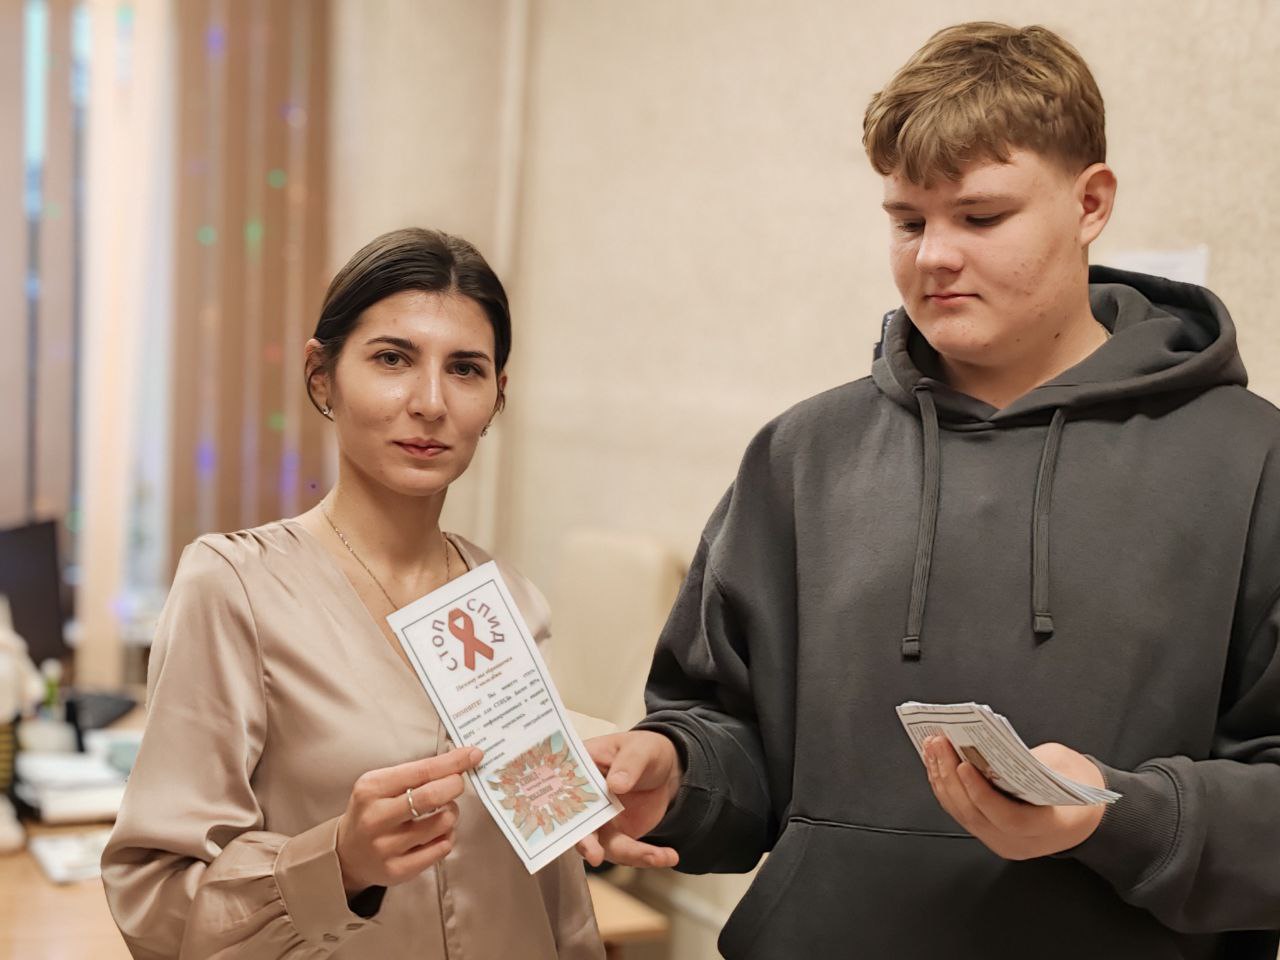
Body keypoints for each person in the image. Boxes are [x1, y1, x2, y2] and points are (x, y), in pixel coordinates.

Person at [577, 22, 1280, 959]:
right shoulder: (800, 456)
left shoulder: (1251, 461)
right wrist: (674, 775)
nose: (934, 255)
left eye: (980, 218)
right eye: (909, 222)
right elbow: (730, 735)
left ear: (1091, 203)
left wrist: (1119, 815)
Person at [102, 228, 604, 959]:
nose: (430, 402)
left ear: (497, 396)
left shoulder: (509, 603)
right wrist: (337, 865)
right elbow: (153, 900)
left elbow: (555, 892)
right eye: (393, 359)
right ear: (322, 375)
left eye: (465, 369)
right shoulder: (236, 587)